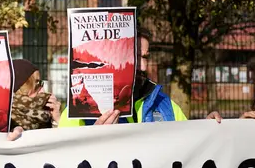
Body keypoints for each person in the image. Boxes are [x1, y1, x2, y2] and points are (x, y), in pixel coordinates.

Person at [58, 30, 191, 126]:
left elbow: (190, 146)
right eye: (135, 57)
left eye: (145, 57)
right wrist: (95, 140)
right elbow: (64, 158)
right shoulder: (77, 112)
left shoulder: (164, 103)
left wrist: (208, 128)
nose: (143, 67)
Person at [10, 59, 61, 130]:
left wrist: (57, 120)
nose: (43, 90)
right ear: (20, 86)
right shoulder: (3, 120)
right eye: (37, 83)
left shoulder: (46, 116)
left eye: (41, 83)